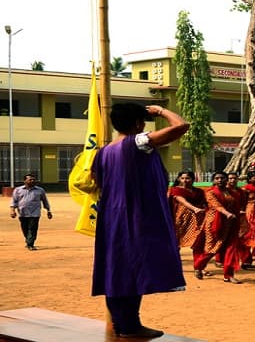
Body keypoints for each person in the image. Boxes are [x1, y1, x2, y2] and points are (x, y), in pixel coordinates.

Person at [91, 103, 188, 338]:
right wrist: (161, 111)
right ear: (137, 124)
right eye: (143, 121)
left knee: (116, 266)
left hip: (111, 216)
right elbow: (181, 126)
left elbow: (98, 181)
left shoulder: (102, 152)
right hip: (136, 215)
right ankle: (130, 325)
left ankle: (122, 323)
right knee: (136, 265)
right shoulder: (138, 141)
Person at [167, 171, 211, 279]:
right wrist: (194, 208)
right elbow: (182, 200)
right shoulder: (175, 190)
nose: (185, 180)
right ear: (179, 179)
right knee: (176, 244)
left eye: (187, 178)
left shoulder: (199, 191)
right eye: (182, 178)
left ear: (192, 179)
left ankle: (199, 267)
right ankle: (172, 266)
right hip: (181, 221)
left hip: (198, 220)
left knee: (199, 244)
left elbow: (205, 203)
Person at [10, 173, 52, 250]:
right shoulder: (18, 190)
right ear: (25, 181)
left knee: (33, 229)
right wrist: (12, 211)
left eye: (34, 179)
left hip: (35, 213)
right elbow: (14, 201)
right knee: (25, 229)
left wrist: (48, 211)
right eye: (30, 180)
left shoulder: (40, 190)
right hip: (23, 213)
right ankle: (28, 241)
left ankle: (30, 244)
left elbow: (45, 201)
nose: (32, 181)